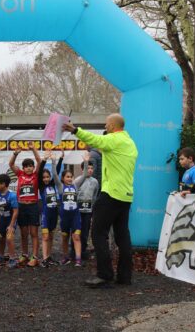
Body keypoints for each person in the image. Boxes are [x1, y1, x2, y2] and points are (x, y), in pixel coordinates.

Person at [64, 113, 138, 287]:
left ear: (112, 126)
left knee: (98, 233)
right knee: (122, 236)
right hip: (126, 196)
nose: (105, 127)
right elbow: (100, 146)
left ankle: (104, 275)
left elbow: (95, 141)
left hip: (111, 194)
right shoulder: (129, 143)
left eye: (106, 124)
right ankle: (124, 276)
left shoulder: (114, 139)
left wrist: (74, 130)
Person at [52, 152, 89, 267]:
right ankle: (66, 257)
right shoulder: (60, 186)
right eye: (67, 177)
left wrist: (86, 162)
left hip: (75, 216)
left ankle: (78, 259)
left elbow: (84, 175)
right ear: (63, 178)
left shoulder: (76, 185)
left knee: (76, 236)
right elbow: (54, 174)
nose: (69, 178)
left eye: (71, 176)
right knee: (64, 237)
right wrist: (54, 161)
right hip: (64, 216)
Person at [8, 141, 42, 267]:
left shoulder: (36, 175)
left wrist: (33, 149)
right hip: (21, 206)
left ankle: (35, 257)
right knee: (23, 233)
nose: (28, 168)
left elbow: (39, 161)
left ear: (33, 167)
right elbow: (11, 164)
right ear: (23, 168)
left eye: (30, 166)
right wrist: (15, 154)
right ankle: (24, 255)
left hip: (33, 206)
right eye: (26, 166)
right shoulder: (20, 174)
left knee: (33, 233)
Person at [38, 150, 63, 267]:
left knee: (51, 236)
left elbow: (56, 172)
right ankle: (44, 258)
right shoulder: (41, 186)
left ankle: (48, 256)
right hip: (45, 215)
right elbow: (38, 174)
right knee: (45, 236)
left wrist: (59, 159)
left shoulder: (53, 184)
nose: (46, 179)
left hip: (54, 213)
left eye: (48, 177)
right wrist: (44, 160)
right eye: (44, 178)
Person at [74, 158, 99, 260]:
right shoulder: (77, 181)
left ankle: (83, 251)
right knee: (76, 231)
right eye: (87, 168)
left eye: (91, 168)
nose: (89, 170)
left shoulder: (95, 182)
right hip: (77, 212)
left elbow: (94, 196)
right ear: (82, 169)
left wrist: (92, 208)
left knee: (85, 231)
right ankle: (74, 251)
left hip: (88, 211)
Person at [0, 174, 18, 269]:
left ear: (3, 184)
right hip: (2, 220)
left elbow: (16, 211)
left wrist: (11, 225)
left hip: (10, 219)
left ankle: (12, 259)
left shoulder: (12, 196)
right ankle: (0, 257)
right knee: (1, 238)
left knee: (9, 238)